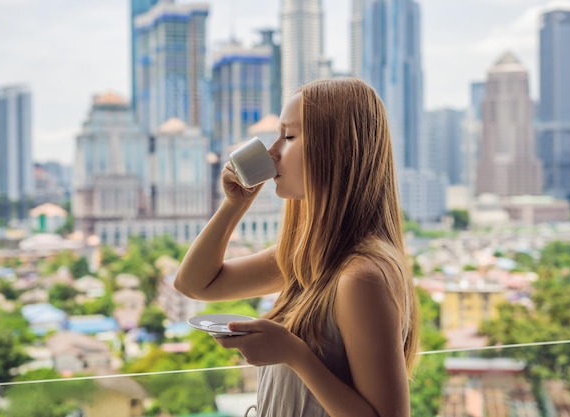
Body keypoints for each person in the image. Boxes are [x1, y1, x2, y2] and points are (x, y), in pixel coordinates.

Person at [174, 77, 420, 417]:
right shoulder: (308, 257)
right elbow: (194, 284)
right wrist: (234, 204)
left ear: (335, 150)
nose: (272, 151)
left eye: (288, 137)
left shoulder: (360, 276)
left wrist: (295, 354)